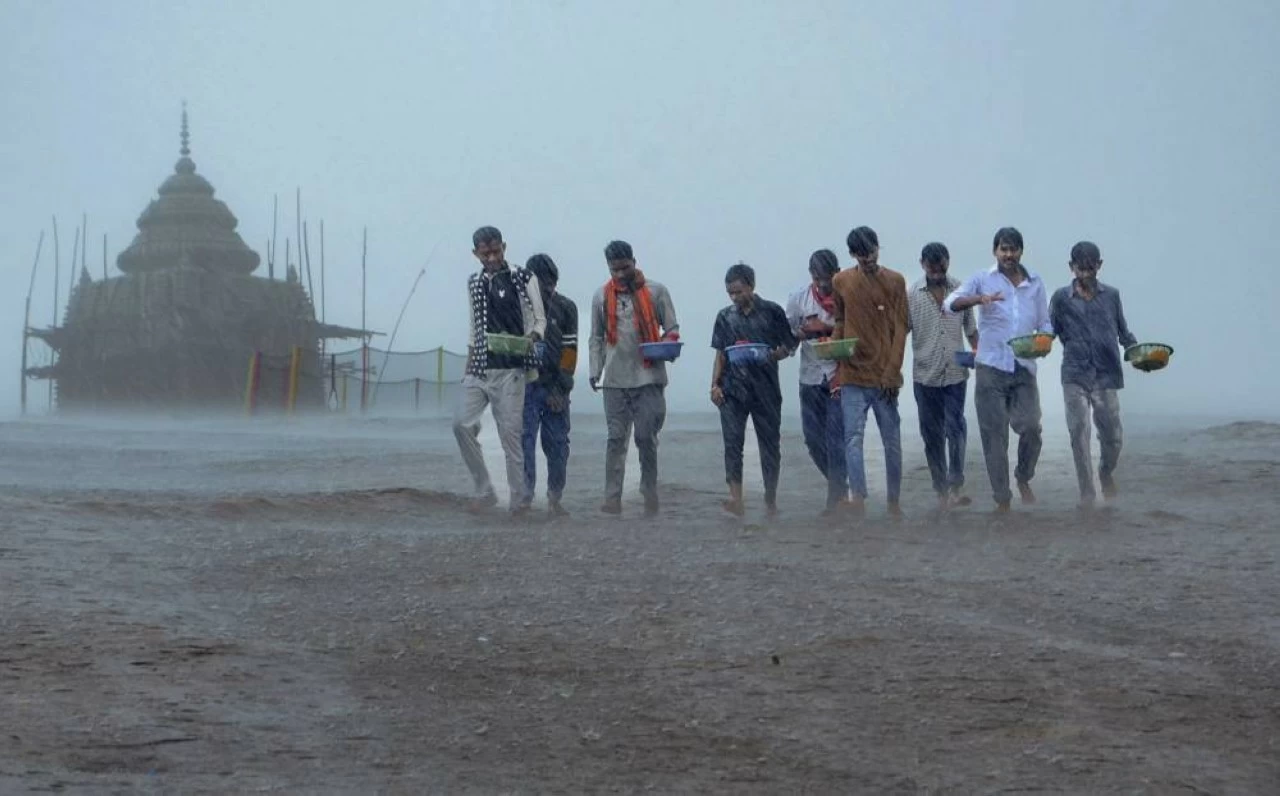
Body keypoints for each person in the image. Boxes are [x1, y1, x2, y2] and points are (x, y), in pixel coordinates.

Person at [944, 227, 1051, 512]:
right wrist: (979, 300)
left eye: (1013, 249)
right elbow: (950, 304)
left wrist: (1044, 342)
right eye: (1003, 249)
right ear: (995, 251)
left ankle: (1023, 477)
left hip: (1024, 367)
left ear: (1021, 252)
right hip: (990, 367)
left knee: (1031, 427)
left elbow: (1045, 323)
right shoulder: (982, 279)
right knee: (995, 436)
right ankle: (1002, 499)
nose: (1009, 254)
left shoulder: (1035, 283)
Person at [453, 226, 546, 514]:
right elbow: (474, 327)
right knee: (461, 424)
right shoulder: (474, 283)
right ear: (475, 254)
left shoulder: (523, 277)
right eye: (485, 253)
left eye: (496, 251)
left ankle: (518, 500)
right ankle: (485, 489)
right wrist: (469, 364)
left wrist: (530, 340)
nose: (491, 257)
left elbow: (540, 319)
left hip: (512, 368)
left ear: (504, 247)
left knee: (510, 435)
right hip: (481, 365)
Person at [588, 240, 680, 517]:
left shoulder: (656, 291)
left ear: (634, 261)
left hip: (649, 377)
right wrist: (595, 369)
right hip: (615, 380)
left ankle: (649, 491)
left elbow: (672, 327)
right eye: (614, 270)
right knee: (616, 439)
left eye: (624, 268)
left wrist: (667, 344)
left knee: (645, 437)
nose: (619, 275)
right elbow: (596, 337)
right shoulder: (601, 297)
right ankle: (612, 498)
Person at [1049, 241, 1138, 508]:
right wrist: (1033, 345)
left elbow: (1123, 332)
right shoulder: (1060, 299)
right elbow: (1048, 332)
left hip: (1106, 374)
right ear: (1071, 268)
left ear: (1099, 266)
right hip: (1074, 374)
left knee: (1113, 436)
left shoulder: (1112, 296)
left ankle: (1105, 471)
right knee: (1079, 431)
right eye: (1080, 269)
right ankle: (1087, 494)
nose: (1086, 274)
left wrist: (1138, 351)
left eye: (1091, 268)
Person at [830, 226, 909, 521]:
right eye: (862, 256)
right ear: (852, 255)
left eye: (872, 253)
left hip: (884, 375)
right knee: (853, 438)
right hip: (852, 373)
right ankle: (858, 498)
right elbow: (840, 318)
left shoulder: (895, 281)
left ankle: (893, 502)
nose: (868, 260)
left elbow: (901, 329)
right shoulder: (841, 281)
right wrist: (836, 346)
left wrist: (893, 371)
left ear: (878, 247)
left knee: (892, 440)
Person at [710, 263, 797, 517]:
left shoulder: (772, 312)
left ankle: (770, 500)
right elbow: (720, 354)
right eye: (730, 293)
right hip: (732, 389)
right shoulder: (725, 316)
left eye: (738, 292)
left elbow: (789, 346)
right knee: (732, 444)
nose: (734, 298)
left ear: (751, 285)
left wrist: (772, 355)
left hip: (765, 389)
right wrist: (714, 385)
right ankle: (736, 499)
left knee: (769, 444)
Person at [907, 242, 979, 512]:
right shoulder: (912, 294)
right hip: (924, 374)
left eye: (941, 266)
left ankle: (956, 485)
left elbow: (971, 329)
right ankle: (940, 489)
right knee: (931, 434)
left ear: (948, 262)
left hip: (955, 373)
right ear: (922, 265)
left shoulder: (961, 290)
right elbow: (900, 330)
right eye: (931, 267)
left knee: (956, 428)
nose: (937, 272)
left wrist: (979, 352)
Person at [785, 249, 848, 514]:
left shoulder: (847, 297)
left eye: (828, 277)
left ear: (837, 272)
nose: (823, 283)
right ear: (811, 275)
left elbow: (856, 330)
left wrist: (827, 330)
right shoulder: (798, 300)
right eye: (818, 277)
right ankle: (839, 485)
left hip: (840, 374)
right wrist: (801, 333)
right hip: (810, 377)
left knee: (836, 438)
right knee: (812, 440)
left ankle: (835, 499)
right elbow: (788, 337)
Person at [520, 253, 578, 516]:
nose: (547, 290)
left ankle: (555, 498)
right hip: (526, 386)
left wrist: (561, 388)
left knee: (556, 445)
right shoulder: (518, 307)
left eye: (551, 284)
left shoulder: (566, 307)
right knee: (524, 442)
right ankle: (525, 497)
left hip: (556, 387)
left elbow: (570, 351)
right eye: (541, 285)